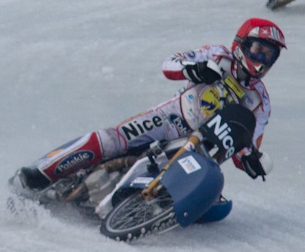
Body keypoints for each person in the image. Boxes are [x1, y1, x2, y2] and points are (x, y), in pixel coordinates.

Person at [14, 18, 285, 193]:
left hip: (203, 151)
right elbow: (170, 63)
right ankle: (41, 173)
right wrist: (195, 70)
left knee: (214, 204)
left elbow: (247, 142)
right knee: (112, 141)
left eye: (269, 56)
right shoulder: (217, 56)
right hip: (171, 119)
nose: (263, 60)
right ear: (242, 45)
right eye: (259, 50)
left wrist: (249, 160)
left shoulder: (261, 101)